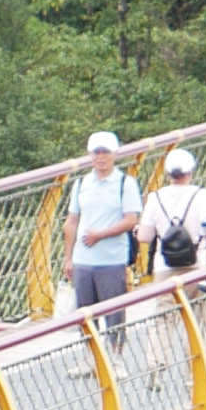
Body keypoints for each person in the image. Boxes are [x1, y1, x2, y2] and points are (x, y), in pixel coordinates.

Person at [64, 131, 141, 309]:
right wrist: (68, 258)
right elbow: (71, 221)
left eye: (105, 152)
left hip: (112, 261)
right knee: (85, 318)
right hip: (83, 259)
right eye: (96, 153)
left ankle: (116, 339)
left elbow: (131, 220)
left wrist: (100, 235)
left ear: (114, 153)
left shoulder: (126, 183)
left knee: (114, 317)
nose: (101, 157)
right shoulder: (81, 184)